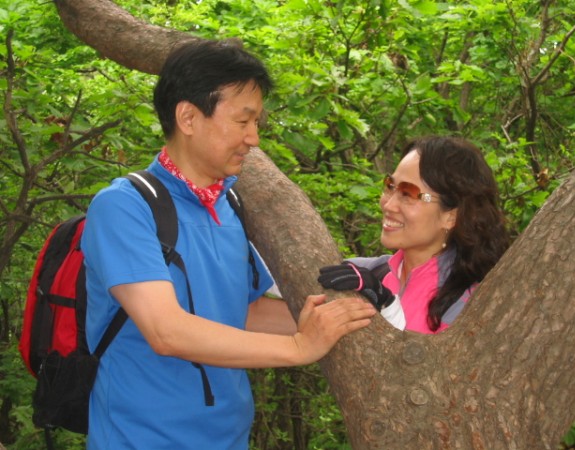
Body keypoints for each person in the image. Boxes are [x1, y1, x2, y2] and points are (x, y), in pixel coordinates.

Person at [81, 39, 375, 449]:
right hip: (140, 439)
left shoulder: (228, 205)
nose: (254, 138)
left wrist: (347, 313)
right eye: (242, 121)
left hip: (228, 438)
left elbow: (245, 312)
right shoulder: (124, 207)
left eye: (257, 123)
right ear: (188, 117)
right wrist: (298, 347)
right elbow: (166, 331)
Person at [318, 136, 510, 333]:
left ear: (451, 216)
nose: (389, 205)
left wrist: (385, 303)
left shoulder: (470, 303)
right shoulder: (365, 273)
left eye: (408, 194)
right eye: (390, 186)